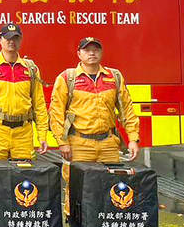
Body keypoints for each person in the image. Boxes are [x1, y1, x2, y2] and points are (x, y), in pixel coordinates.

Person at [49, 37, 140, 214]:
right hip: (79, 145)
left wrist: (133, 139)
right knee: (76, 190)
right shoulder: (67, 78)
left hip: (108, 144)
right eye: (87, 50)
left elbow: (126, 109)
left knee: (111, 187)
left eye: (96, 49)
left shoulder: (114, 77)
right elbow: (56, 113)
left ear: (101, 52)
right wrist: (63, 142)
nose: (92, 53)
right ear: (79, 54)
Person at [0, 24, 49, 162]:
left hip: (23, 133)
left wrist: (42, 135)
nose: (11, 41)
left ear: (21, 40)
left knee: (23, 177)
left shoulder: (31, 69)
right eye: (7, 38)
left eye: (16, 38)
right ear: (0, 39)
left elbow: (39, 105)